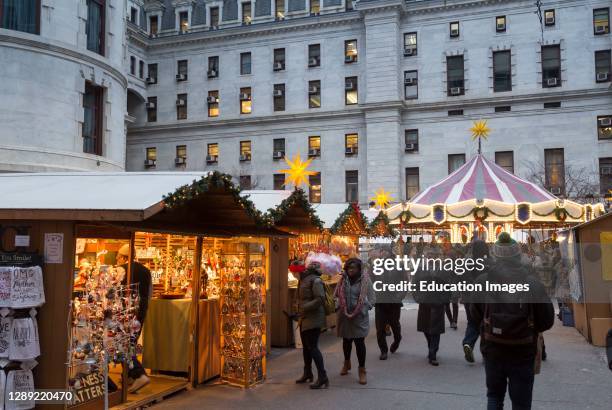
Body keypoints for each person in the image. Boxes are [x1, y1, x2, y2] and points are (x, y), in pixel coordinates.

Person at [471, 233, 554, 410]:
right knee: (521, 402)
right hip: (522, 350)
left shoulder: (483, 281)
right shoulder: (533, 284)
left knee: (494, 396)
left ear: (495, 255)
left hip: (492, 347)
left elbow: (474, 314)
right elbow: (547, 320)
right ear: (518, 256)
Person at [116, 244, 153, 393]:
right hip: (140, 311)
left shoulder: (120, 270)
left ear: (124, 257)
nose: (117, 259)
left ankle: (139, 374)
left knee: (122, 344)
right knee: (130, 341)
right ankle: (130, 375)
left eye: (118, 256)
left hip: (125, 312)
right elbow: (149, 293)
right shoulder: (146, 271)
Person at [335, 258, 374, 385]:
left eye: (354, 268)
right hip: (344, 315)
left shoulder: (365, 280)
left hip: (359, 316)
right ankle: (347, 363)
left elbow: (372, 297)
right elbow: (336, 294)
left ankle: (362, 370)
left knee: (359, 342)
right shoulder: (342, 280)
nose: (351, 270)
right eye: (349, 268)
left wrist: (366, 307)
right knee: (346, 340)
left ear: (359, 269)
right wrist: (338, 305)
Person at [413, 249, 450, 366]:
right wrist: (417, 297)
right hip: (425, 302)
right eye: (429, 255)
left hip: (438, 302)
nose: (431, 257)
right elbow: (415, 284)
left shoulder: (443, 270)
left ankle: (432, 353)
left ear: (437, 257)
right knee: (426, 328)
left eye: (433, 255)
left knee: (436, 329)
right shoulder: (420, 269)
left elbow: (448, 285)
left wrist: (444, 299)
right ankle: (431, 347)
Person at [295, 261, 328, 389]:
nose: (293, 274)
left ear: (299, 271)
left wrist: (304, 307)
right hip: (304, 318)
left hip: (314, 318)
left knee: (313, 347)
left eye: (294, 272)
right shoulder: (302, 280)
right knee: (306, 348)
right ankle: (308, 373)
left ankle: (323, 376)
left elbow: (320, 299)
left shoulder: (315, 281)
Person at [375, 247, 407, 360]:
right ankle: (383, 350)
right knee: (380, 328)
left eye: (384, 251)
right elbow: (371, 281)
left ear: (390, 253)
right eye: (381, 251)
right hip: (380, 301)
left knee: (395, 325)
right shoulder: (376, 266)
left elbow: (405, 282)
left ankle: (397, 340)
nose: (382, 253)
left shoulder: (399, 266)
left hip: (394, 301)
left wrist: (399, 296)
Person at [462, 239, 489, 363]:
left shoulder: (468, 263)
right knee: (486, 323)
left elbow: (462, 279)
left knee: (472, 322)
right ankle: (485, 352)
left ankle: (468, 343)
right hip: (486, 298)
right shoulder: (489, 263)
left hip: (469, 297)